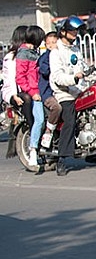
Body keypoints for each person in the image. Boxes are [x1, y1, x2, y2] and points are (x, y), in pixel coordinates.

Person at [49, 16, 96, 176]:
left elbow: (84, 70)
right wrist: (74, 78)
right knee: (70, 119)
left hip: (78, 90)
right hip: (64, 93)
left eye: (76, 30)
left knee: (91, 116)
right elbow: (57, 77)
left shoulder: (75, 49)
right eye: (72, 30)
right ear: (63, 32)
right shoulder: (56, 52)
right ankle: (62, 159)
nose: (75, 33)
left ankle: (91, 152)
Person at [15, 25, 46, 172]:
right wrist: (32, 92)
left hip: (42, 90)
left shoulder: (33, 52)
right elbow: (20, 78)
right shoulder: (23, 54)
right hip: (35, 93)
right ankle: (33, 150)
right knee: (39, 120)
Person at [2, 26, 32, 129]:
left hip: (25, 88)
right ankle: (31, 127)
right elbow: (11, 78)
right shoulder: (11, 57)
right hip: (12, 91)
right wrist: (15, 95)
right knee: (26, 99)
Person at [38, 32, 62, 150]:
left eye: (54, 42)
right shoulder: (45, 58)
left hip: (60, 91)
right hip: (47, 92)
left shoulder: (61, 55)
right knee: (57, 108)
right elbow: (44, 71)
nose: (52, 45)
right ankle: (48, 131)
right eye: (49, 43)